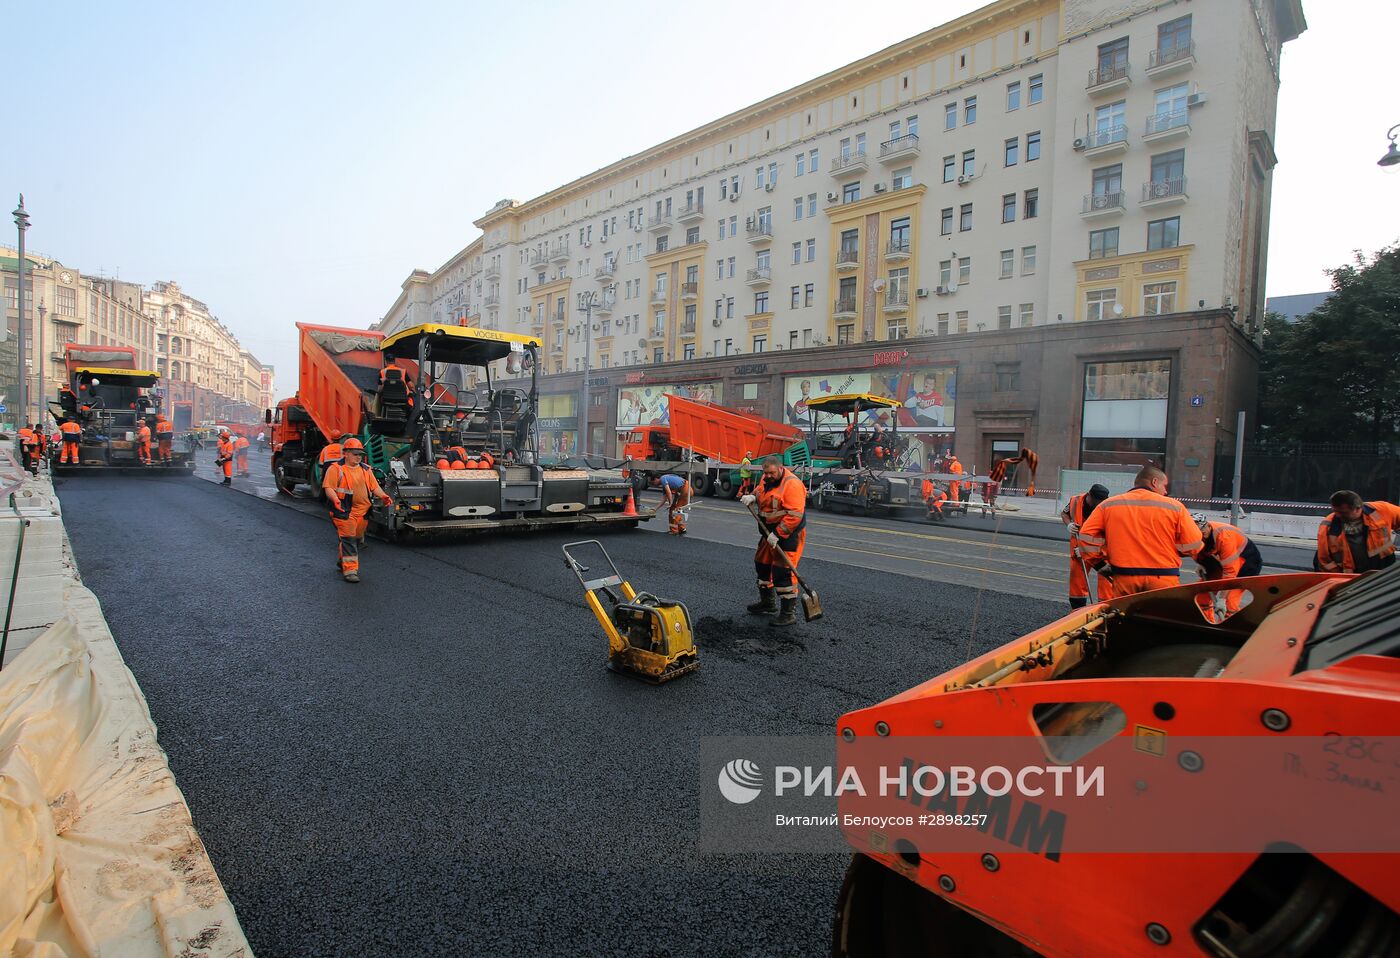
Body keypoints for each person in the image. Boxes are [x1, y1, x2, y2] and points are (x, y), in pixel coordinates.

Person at [1077, 466, 1203, 597]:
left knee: (1126, 616)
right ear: (1154, 482)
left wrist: (1099, 564)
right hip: (1164, 578)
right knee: (1161, 616)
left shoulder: (1108, 505)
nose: (1165, 491)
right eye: (1164, 486)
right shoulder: (1175, 507)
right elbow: (1193, 543)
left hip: (1124, 577)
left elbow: (1085, 536)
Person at [740, 456, 807, 627]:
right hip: (768, 532)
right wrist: (753, 497)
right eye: (765, 472)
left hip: (789, 534)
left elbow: (795, 515)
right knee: (761, 564)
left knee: (782, 572)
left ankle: (788, 613)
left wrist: (777, 534)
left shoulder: (792, 485)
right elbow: (761, 489)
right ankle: (768, 603)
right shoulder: (766, 478)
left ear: (780, 469)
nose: (768, 475)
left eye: (771, 472)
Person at [323, 437, 393, 584]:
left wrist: (383, 496)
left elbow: (374, 487)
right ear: (346, 453)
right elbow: (328, 487)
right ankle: (350, 571)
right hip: (344, 511)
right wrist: (335, 499)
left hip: (363, 512)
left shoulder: (366, 469)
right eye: (355, 454)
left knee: (355, 538)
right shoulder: (336, 469)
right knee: (348, 539)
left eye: (360, 454)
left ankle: (342, 560)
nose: (358, 457)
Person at [1191, 512, 1263, 621]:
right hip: (1222, 565)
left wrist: (1222, 599)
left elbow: (1230, 573)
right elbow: (1201, 551)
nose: (1202, 534)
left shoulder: (1225, 537)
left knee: (1229, 605)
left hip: (1246, 565)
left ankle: (1231, 630)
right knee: (1200, 597)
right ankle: (1207, 625)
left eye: (1203, 530)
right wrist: (1203, 564)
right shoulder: (1194, 535)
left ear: (1208, 526)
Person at [1315, 490, 1400, 574]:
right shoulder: (1328, 526)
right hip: (1350, 575)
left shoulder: (1381, 510)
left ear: (1358, 508)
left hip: (1383, 567)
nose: (1338, 515)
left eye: (1343, 512)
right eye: (1335, 511)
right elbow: (1324, 559)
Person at [1060, 484, 1111, 608]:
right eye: (1097, 501)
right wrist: (1069, 524)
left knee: (1106, 581)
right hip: (1078, 551)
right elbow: (1064, 514)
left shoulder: (1108, 507)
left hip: (1100, 552)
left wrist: (1084, 549)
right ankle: (1077, 610)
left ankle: (1105, 609)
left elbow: (1109, 535)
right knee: (1077, 581)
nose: (1099, 504)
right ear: (1089, 496)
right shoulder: (1075, 501)